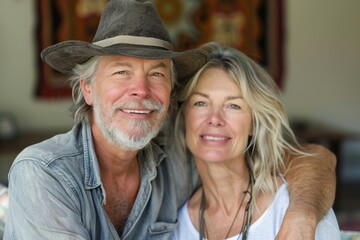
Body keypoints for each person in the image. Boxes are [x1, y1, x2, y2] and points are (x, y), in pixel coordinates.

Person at [4, 0, 336, 239]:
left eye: (157, 73)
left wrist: (301, 217)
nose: (141, 90)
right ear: (88, 89)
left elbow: (314, 159)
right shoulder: (44, 173)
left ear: (171, 94)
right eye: (122, 71)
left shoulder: (179, 161)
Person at [170, 42, 340, 240]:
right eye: (201, 103)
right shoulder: (175, 224)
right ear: (184, 118)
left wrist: (302, 216)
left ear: (253, 124)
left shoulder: (292, 208)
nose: (214, 118)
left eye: (233, 106)